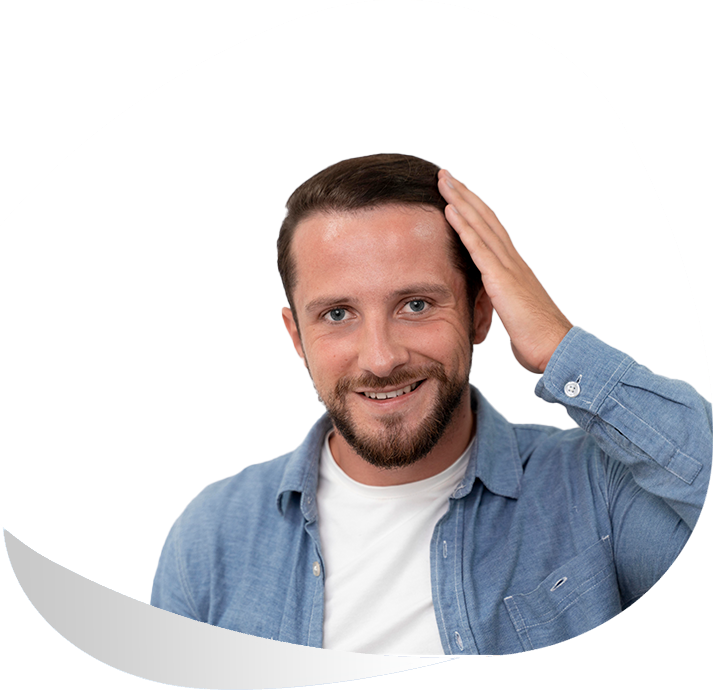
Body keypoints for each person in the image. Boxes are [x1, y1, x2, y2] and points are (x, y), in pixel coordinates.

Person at [151, 153, 712, 655]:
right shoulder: (211, 538)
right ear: (297, 336)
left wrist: (559, 347)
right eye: (337, 315)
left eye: (416, 305)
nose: (381, 358)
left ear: (480, 313)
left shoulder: (593, 491)